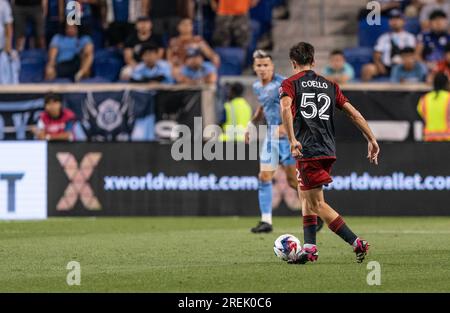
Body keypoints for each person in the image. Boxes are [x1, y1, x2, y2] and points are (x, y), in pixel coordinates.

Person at [280, 42, 380, 264]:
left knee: (315, 204)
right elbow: (354, 114)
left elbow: (286, 108)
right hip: (327, 149)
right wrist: (371, 138)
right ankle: (309, 249)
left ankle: (357, 243)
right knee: (305, 197)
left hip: (308, 149)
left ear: (293, 63)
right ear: (314, 61)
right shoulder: (330, 85)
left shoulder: (289, 84)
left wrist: (292, 140)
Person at [245, 49, 324, 234]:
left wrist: (288, 128)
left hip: (290, 139)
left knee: (293, 181)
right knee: (264, 177)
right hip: (272, 138)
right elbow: (263, 106)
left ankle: (316, 212)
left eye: (266, 65)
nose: (263, 69)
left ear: (272, 66)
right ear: (254, 68)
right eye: (259, 65)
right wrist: (251, 124)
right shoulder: (258, 86)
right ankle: (266, 221)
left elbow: (297, 107)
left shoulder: (284, 84)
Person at [361, 9, 416, 81]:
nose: (395, 22)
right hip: (386, 67)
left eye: (397, 19)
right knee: (367, 69)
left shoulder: (410, 37)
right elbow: (376, 54)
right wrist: (380, 66)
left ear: (403, 21)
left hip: (403, 67)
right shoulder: (384, 37)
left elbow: (411, 55)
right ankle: (365, 91)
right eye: (392, 19)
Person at [121, 16, 163, 80]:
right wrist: (139, 67)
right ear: (136, 25)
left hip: (155, 64)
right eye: (140, 23)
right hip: (136, 65)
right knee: (126, 73)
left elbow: (160, 54)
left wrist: (151, 65)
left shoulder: (157, 38)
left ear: (151, 25)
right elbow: (128, 58)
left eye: (146, 23)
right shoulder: (130, 39)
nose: (143, 25)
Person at [417, 72, 450, 141]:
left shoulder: (424, 99)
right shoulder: (448, 98)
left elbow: (421, 113)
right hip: (447, 138)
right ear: (446, 84)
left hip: (429, 138)